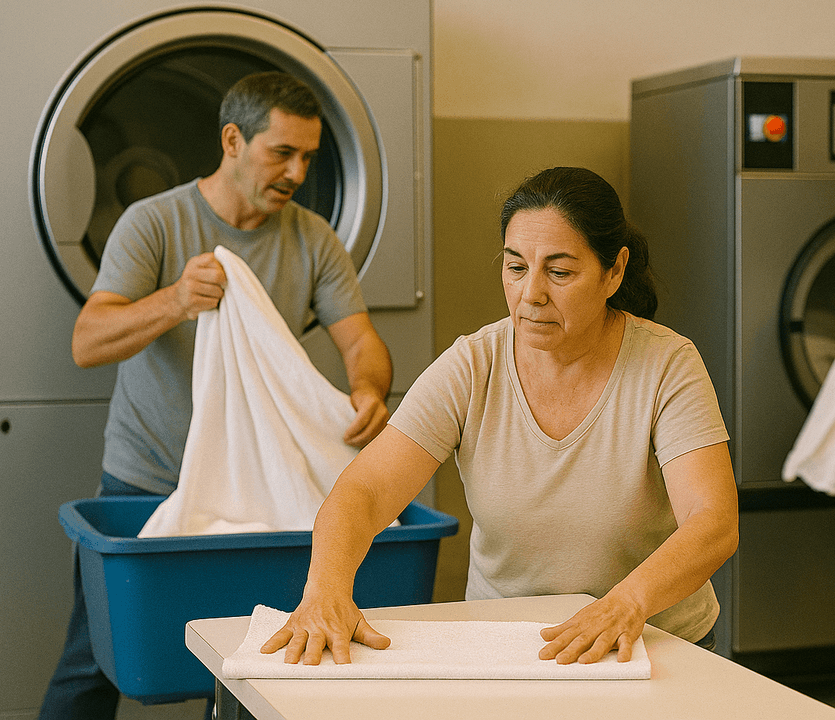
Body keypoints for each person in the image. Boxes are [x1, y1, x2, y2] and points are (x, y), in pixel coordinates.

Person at [262, 166, 739, 667]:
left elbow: (713, 521)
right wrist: (325, 590)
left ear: (614, 271)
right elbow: (366, 489)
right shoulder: (473, 365)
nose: (531, 294)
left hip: (655, 643)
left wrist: (626, 603)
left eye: (559, 272)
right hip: (510, 648)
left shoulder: (667, 363)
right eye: (516, 267)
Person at [39, 72, 394, 719]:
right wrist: (175, 299)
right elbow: (87, 341)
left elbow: (360, 338)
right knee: (92, 658)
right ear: (233, 140)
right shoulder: (155, 222)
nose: (296, 170)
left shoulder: (312, 238)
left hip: (251, 492)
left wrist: (370, 388)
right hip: (147, 479)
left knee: (248, 659)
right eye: (280, 153)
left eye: (308, 157)